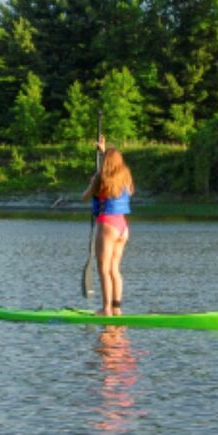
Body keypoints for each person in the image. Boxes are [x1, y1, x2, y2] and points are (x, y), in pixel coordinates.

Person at [82, 134, 134, 316]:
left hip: (107, 225)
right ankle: (116, 308)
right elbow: (113, 164)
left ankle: (106, 310)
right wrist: (104, 151)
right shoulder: (125, 176)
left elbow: (85, 197)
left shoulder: (100, 178)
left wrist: (91, 183)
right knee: (114, 269)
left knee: (103, 269)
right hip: (122, 226)